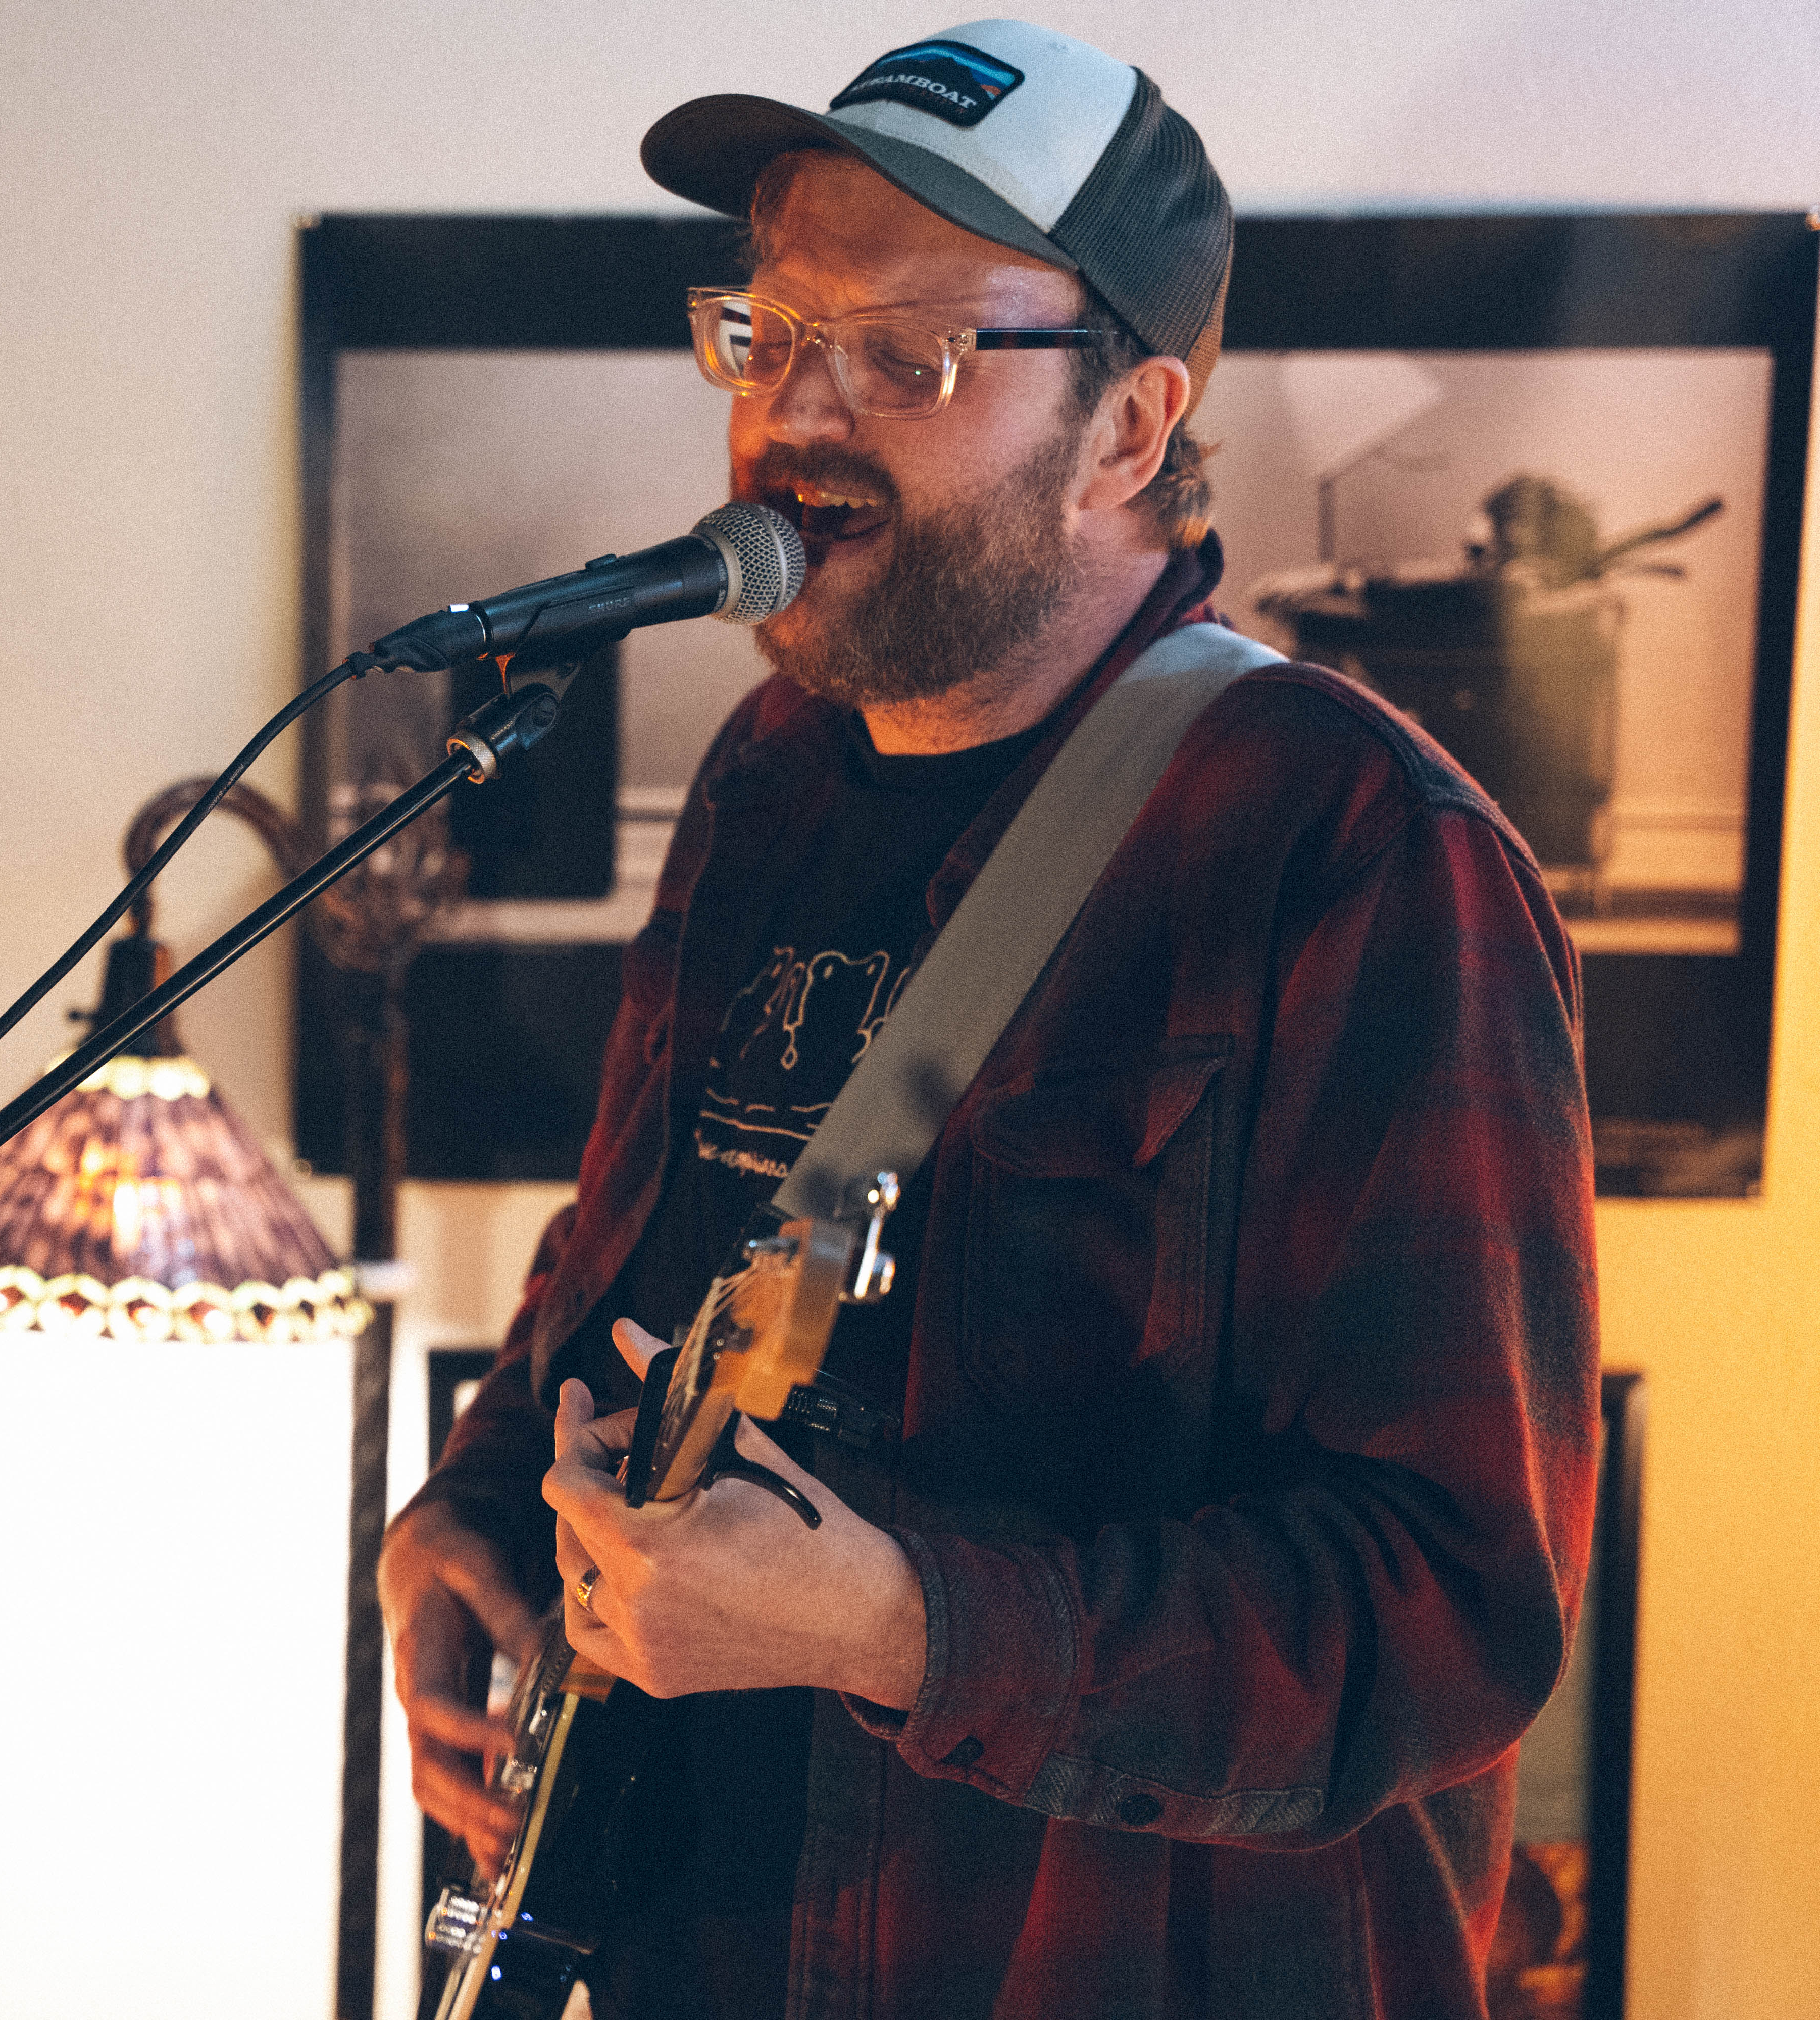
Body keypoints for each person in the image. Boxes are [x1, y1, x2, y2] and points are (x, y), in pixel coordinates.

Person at [380, 21, 1600, 2019]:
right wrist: (475, 1516)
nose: (796, 414)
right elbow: (626, 1276)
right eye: (768, 336)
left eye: (913, 356)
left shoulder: (1363, 846)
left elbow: (1447, 1618)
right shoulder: (769, 776)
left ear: (1129, 427)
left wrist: (905, 1626)